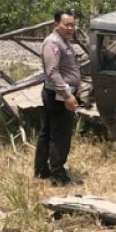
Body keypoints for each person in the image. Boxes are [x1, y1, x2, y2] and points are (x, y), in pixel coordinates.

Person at [34, 10, 83, 186]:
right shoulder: (53, 43)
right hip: (58, 96)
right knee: (60, 136)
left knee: (48, 133)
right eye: (67, 25)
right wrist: (67, 95)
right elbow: (52, 72)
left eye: (72, 24)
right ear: (56, 25)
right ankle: (58, 176)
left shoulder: (64, 41)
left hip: (59, 93)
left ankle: (41, 170)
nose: (71, 28)